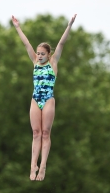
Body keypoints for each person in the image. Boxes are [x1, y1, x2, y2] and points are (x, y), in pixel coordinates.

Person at [12, 14, 77, 181]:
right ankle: (33, 165)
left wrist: (69, 25)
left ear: (49, 55)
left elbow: (61, 43)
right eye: (38, 53)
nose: (39, 55)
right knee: (36, 133)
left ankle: (43, 166)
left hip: (48, 99)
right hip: (35, 99)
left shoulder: (53, 63)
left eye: (42, 53)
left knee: (46, 133)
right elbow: (26, 43)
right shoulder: (34, 61)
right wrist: (18, 27)